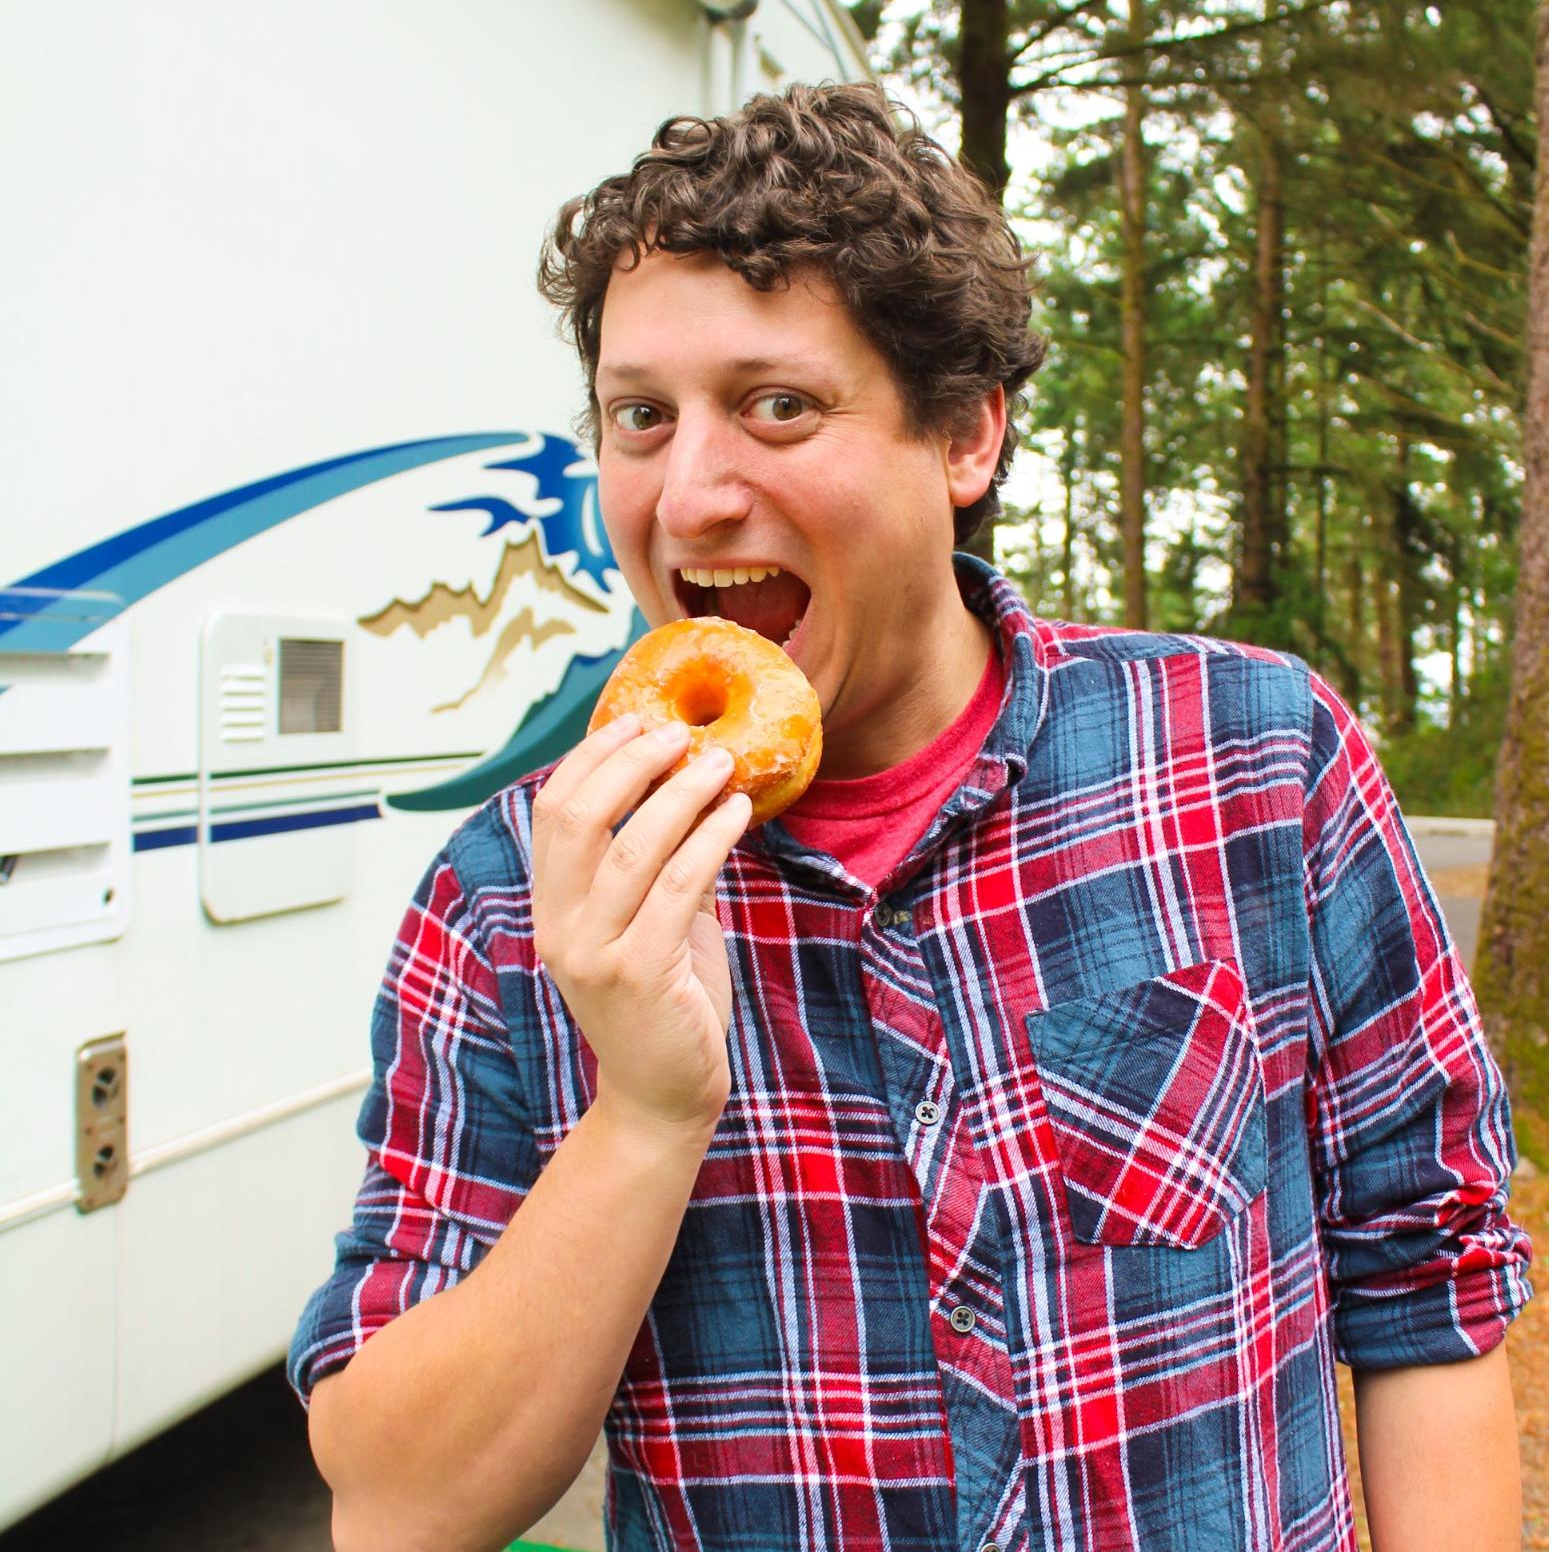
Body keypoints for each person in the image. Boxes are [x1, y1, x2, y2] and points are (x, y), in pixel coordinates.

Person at [290, 83, 1531, 1552]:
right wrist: (643, 1114)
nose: (687, 496)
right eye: (640, 417)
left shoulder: (1246, 757)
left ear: (964, 438)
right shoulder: (516, 894)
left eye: (777, 406)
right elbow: (396, 1505)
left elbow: (1424, 1284)